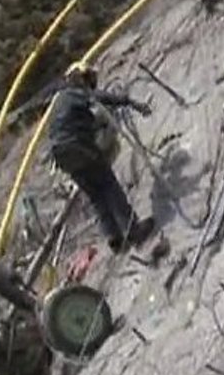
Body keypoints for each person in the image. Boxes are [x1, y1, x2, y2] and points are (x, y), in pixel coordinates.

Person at [48, 61, 156, 253]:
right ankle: (133, 229)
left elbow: (80, 122)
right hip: (77, 146)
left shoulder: (60, 101)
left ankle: (114, 238)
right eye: (88, 80)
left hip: (63, 157)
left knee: (96, 196)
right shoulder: (73, 92)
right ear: (80, 78)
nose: (90, 85)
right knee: (108, 183)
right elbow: (98, 98)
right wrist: (129, 101)